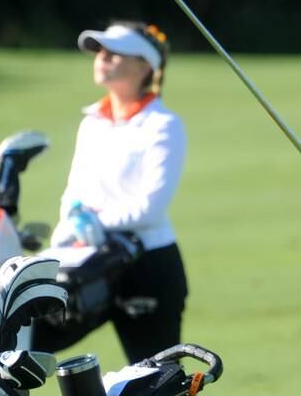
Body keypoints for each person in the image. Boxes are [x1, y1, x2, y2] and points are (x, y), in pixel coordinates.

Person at [36, 20, 188, 363]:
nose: (102, 57)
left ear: (144, 65)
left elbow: (151, 206)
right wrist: (69, 227)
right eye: (100, 51)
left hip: (147, 268)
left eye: (114, 52)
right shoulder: (91, 123)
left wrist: (97, 223)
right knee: (19, 351)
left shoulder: (163, 125)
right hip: (88, 265)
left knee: (155, 386)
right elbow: (74, 190)